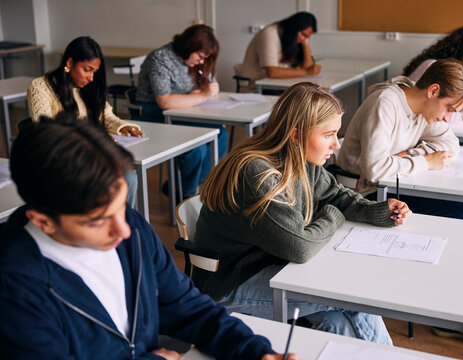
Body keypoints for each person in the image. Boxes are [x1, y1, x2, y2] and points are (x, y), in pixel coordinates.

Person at [0, 115, 296, 360]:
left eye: (121, 207)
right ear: (43, 221)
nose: (124, 230)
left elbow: (186, 307)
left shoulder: (129, 226)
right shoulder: (14, 286)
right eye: (99, 221)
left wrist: (252, 351)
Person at [192, 82, 411, 344]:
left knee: (338, 322)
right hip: (230, 284)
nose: (336, 145)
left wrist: (378, 210)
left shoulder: (299, 160)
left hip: (272, 265)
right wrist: (332, 215)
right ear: (296, 135)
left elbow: (336, 195)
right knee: (353, 298)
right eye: (328, 135)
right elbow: (299, 246)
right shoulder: (258, 172)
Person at [337, 59, 463, 221]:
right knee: (462, 215)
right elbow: (375, 170)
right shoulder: (385, 103)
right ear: (433, 91)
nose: (448, 118)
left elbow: (451, 144)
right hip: (361, 194)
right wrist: (427, 162)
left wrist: (410, 154)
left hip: (391, 184)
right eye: (449, 109)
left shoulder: (424, 107)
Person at [27, 36, 142, 208]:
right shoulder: (40, 87)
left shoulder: (89, 88)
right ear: (70, 62)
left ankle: (121, 228)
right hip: (60, 161)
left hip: (91, 157)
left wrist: (124, 126)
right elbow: (47, 131)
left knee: (129, 178)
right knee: (120, 181)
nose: (91, 78)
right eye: (87, 69)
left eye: (94, 71)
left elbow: (107, 116)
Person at [136, 24, 228, 199]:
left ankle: (186, 186)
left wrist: (200, 94)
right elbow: (165, 101)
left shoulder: (196, 62)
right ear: (189, 47)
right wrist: (202, 95)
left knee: (221, 133)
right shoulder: (160, 58)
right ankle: (188, 195)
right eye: (200, 56)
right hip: (154, 115)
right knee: (197, 147)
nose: (201, 61)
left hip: (184, 112)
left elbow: (212, 88)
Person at [235, 12, 321, 90]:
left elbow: (309, 68)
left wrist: (306, 44)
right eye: (303, 34)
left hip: (278, 87)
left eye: (307, 37)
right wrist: (306, 72)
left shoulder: (295, 39)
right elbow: (272, 72)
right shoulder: (269, 33)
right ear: (294, 28)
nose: (303, 38)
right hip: (256, 89)